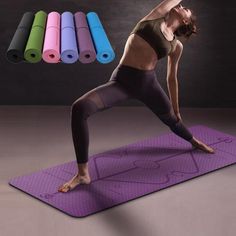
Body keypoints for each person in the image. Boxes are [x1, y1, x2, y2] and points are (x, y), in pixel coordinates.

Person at [58, 0, 215, 193]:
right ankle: (83, 173)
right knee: (79, 108)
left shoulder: (176, 46)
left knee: (173, 121)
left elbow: (171, 78)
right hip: (121, 83)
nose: (181, 6)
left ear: (185, 20)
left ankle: (194, 141)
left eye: (186, 9)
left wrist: (177, 108)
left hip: (148, 85)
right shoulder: (154, 17)